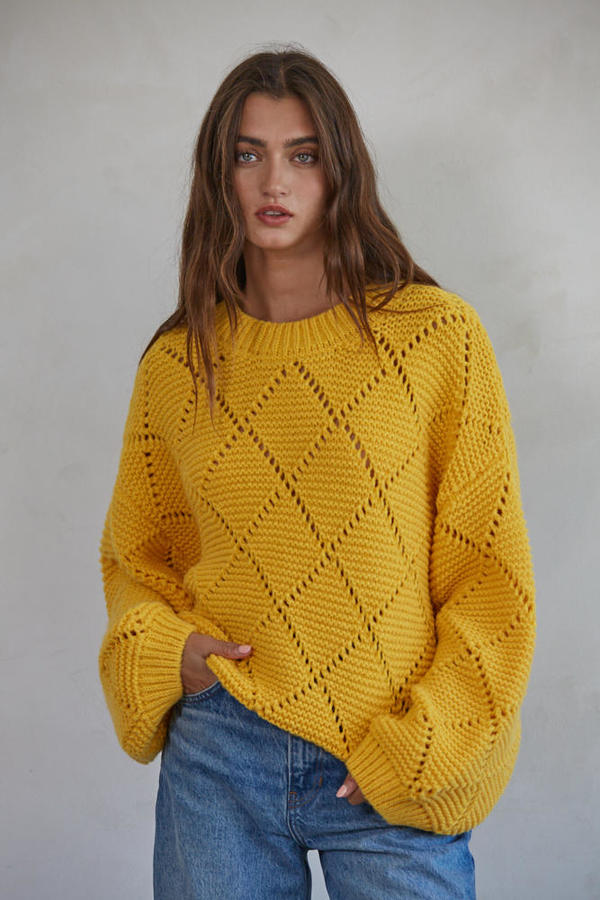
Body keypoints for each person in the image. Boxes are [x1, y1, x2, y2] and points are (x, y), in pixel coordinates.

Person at [98, 45, 536, 900]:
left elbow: (490, 580)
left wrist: (423, 745)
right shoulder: (179, 365)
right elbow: (135, 561)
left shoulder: (435, 338)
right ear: (219, 175)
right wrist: (172, 655)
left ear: (341, 171)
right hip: (220, 753)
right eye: (248, 154)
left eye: (303, 155)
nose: (275, 181)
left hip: (388, 749)